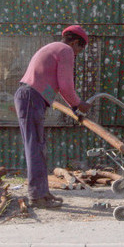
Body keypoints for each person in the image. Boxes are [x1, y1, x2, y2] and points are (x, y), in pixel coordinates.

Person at [16, 25, 92, 209]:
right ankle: (37, 196)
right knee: (35, 147)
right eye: (79, 50)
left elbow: (57, 86)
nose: (76, 55)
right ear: (75, 43)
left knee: (38, 147)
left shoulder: (53, 48)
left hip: (30, 97)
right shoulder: (65, 50)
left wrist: (74, 106)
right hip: (31, 98)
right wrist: (79, 103)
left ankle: (43, 193)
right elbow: (65, 85)